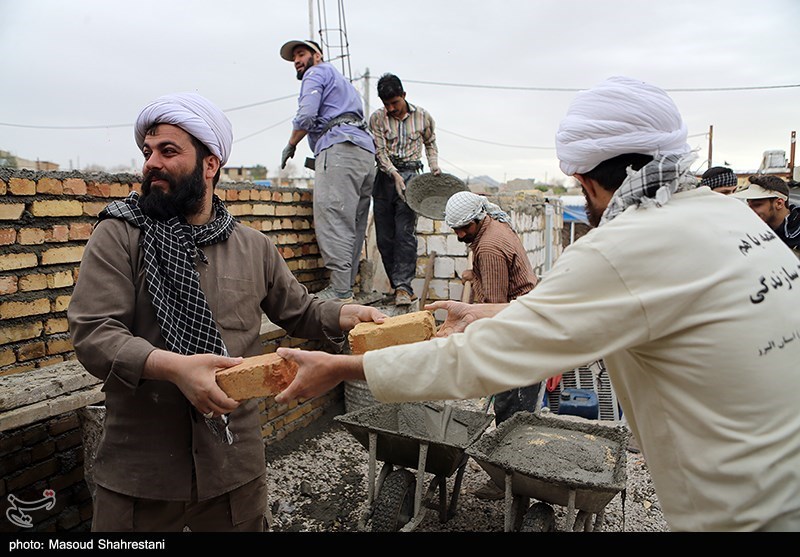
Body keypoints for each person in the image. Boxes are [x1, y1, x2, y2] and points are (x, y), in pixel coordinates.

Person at [274, 76, 800, 531]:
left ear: (584, 177)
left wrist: (342, 366)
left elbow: (479, 357)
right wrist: (477, 312)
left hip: (753, 511)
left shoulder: (624, 246)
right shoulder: (726, 215)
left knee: (513, 405)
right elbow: (570, 308)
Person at [67, 92, 386, 532]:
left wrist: (350, 314)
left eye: (168, 150)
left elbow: (300, 311)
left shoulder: (253, 247)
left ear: (210, 163)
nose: (151, 164)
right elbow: (94, 334)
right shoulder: (119, 235)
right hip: (141, 476)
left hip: (233, 473)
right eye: (148, 152)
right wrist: (174, 368)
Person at [444, 190, 540, 500]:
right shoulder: (493, 227)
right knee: (512, 405)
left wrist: (468, 336)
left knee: (512, 408)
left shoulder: (488, 246)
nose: (460, 234)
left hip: (518, 332)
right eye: (455, 229)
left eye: (464, 228)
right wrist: (475, 275)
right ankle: (514, 477)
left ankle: (514, 485)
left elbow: (495, 306)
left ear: (477, 218)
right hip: (520, 322)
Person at [279, 39, 376, 303]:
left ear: (317, 56)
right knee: (354, 223)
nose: (298, 60)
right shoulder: (341, 81)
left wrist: (291, 144)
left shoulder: (316, 73)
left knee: (333, 218)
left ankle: (340, 290)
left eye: (301, 54)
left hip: (339, 147)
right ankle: (346, 286)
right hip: (364, 152)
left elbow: (307, 115)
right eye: (294, 58)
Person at [368, 73, 441, 305]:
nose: (391, 108)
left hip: (411, 177)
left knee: (404, 234)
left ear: (404, 96)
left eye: (395, 103)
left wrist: (434, 167)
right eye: (386, 104)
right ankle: (396, 285)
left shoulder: (423, 117)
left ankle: (403, 286)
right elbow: (379, 152)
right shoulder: (377, 119)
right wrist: (393, 174)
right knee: (385, 237)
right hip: (385, 177)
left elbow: (430, 143)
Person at [732, 174, 800, 256]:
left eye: (757, 205)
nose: (750, 210)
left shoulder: (796, 235)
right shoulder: (755, 230)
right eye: (749, 205)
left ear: (779, 203)